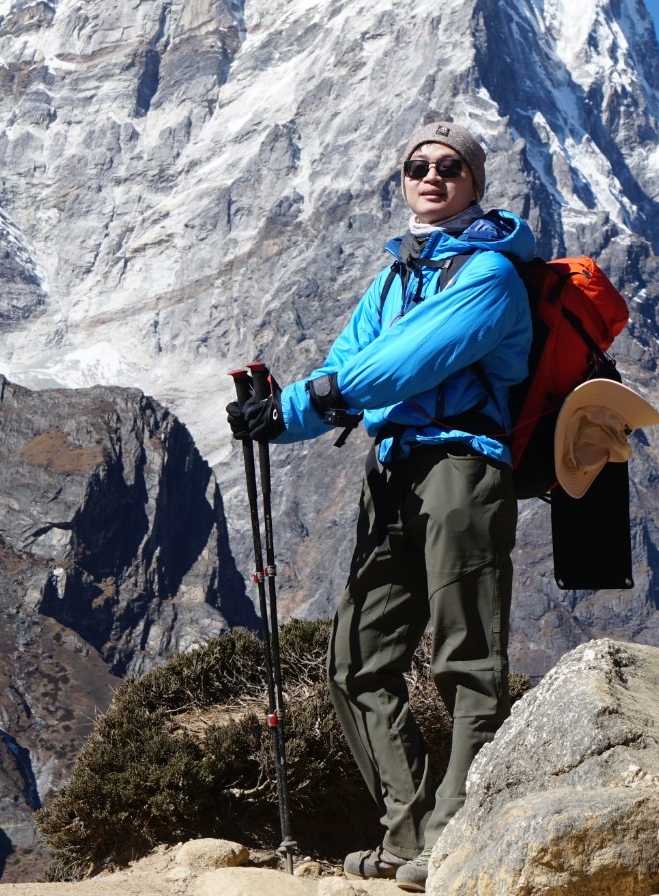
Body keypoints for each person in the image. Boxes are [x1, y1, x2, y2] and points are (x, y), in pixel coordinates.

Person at [226, 119, 532, 892]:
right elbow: (348, 361)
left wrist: (304, 401)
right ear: (403, 181)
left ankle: (455, 835)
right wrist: (279, 413)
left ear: (475, 181)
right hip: (394, 470)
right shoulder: (394, 275)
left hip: (465, 466)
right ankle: (405, 831)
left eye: (449, 166)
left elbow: (400, 362)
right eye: (416, 166)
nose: (431, 176)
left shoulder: (491, 275)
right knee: (355, 660)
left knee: (468, 658)